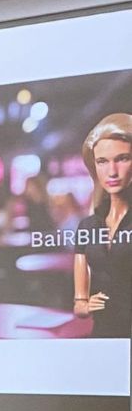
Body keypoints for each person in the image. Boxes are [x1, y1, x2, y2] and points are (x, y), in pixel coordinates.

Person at [74, 113, 132, 338]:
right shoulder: (88, 227)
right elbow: (79, 304)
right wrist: (84, 305)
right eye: (102, 161)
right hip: (103, 333)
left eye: (123, 158)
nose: (112, 171)